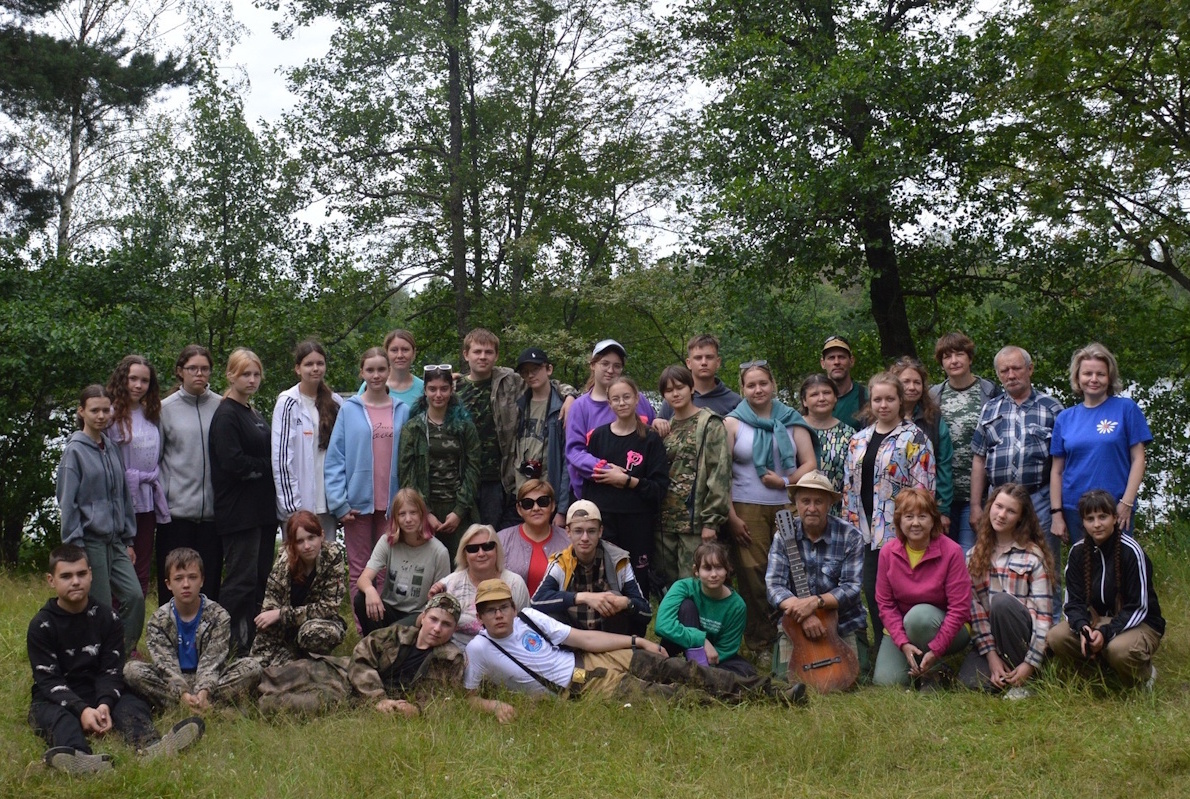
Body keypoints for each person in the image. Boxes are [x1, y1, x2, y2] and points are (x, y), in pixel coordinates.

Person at [465, 579, 804, 721]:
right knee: (673, 695)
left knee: (684, 670)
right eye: (490, 610)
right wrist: (495, 704)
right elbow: (468, 697)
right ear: (479, 616)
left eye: (503, 607)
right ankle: (749, 706)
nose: (499, 614)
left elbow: (584, 639)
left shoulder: (528, 616)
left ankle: (776, 694)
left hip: (592, 658)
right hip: (578, 686)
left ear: (512, 606)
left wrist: (637, 641)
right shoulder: (479, 650)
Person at [28, 545, 204, 775]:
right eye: (66, 576)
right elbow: (48, 681)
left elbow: (111, 670)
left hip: (97, 688)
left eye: (81, 574)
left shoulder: (108, 617)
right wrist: (82, 711)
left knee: (132, 705)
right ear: (51, 580)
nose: (75, 581)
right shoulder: (41, 625)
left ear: (91, 574)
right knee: (60, 720)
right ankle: (80, 759)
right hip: (56, 696)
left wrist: (104, 705)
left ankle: (151, 747)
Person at [724, 360, 818, 661]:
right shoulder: (732, 423)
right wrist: (731, 515)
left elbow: (810, 464)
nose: (758, 389)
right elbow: (722, 472)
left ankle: (792, 636)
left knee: (793, 570)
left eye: (763, 383)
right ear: (743, 389)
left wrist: (785, 480)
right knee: (753, 574)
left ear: (772, 384)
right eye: (751, 385)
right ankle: (760, 642)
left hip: (787, 506)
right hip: (746, 507)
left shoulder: (791, 419)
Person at [843, 371, 935, 654]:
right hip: (866, 532)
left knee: (903, 593)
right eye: (877, 399)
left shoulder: (915, 438)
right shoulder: (858, 440)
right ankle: (883, 647)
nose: (883, 405)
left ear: (900, 401)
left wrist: (916, 529)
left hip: (900, 533)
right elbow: (848, 486)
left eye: (889, 399)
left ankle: (914, 646)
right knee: (873, 591)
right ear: (870, 403)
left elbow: (924, 491)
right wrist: (851, 527)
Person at [55, 384, 145, 657]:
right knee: (101, 606)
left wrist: (128, 539)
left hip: (116, 540)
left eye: (106, 410)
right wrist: (75, 548)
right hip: (89, 542)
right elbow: (67, 501)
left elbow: (123, 498)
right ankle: (98, 660)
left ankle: (122, 650)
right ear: (82, 412)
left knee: (135, 597)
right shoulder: (75, 452)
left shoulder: (112, 448)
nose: (101, 415)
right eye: (94, 410)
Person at [455, 329, 576, 528]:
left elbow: (549, 383)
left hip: (499, 479)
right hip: (462, 476)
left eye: (488, 352)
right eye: (477, 352)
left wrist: (571, 396)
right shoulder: (455, 388)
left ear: (496, 356)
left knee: (493, 534)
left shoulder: (509, 381)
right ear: (466, 354)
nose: (483, 357)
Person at [1047, 489, 1164, 689]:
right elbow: (1072, 603)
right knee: (1056, 636)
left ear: (1115, 518)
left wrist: (1106, 632)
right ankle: (1097, 673)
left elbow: (1139, 607)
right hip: (1097, 621)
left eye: (1103, 517)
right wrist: (1083, 627)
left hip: (1139, 623)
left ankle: (1144, 675)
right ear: (1082, 522)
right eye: (1090, 518)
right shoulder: (1077, 552)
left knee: (1119, 649)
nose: (1097, 524)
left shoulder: (1131, 551)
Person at [325, 347, 410, 611]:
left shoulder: (403, 410)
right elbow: (335, 457)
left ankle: (384, 629)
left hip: (393, 504)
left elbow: (410, 459)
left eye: (381, 369)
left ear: (389, 371)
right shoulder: (350, 410)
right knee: (360, 569)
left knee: (386, 567)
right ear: (362, 372)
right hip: (357, 505)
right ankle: (364, 631)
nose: (376, 375)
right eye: (370, 370)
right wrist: (339, 502)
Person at [124, 548, 262, 710]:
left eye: (192, 577)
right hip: (173, 680)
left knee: (252, 667)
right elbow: (165, 666)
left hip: (210, 680)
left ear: (202, 580)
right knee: (131, 670)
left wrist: (203, 691)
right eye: (179, 578)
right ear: (168, 584)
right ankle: (209, 707)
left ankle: (189, 705)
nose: (186, 584)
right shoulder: (158, 621)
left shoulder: (219, 616)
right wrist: (182, 693)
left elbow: (212, 661)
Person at [208, 348, 276, 655]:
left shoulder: (253, 413)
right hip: (238, 513)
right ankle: (228, 645)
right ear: (230, 376)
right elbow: (233, 463)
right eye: (245, 374)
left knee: (261, 579)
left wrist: (264, 464)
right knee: (240, 582)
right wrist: (268, 465)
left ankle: (252, 643)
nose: (251, 380)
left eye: (256, 374)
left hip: (262, 512)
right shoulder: (226, 414)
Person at [969, 345, 1064, 565]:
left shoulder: (1052, 408)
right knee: (996, 564)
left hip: (1039, 498)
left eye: (1016, 368)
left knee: (1047, 565)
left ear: (1030, 369)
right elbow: (979, 459)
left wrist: (1059, 510)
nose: (1011, 375)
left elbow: (1062, 464)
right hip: (998, 501)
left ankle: (1048, 601)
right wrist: (975, 506)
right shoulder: (990, 409)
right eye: (1004, 371)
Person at [1050, 343, 1152, 547]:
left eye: (1100, 374)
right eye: (1087, 373)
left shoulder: (1126, 409)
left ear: (1110, 377)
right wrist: (1057, 513)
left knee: (1119, 569)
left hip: (1115, 507)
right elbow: (1057, 471)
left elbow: (1138, 459)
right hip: (1075, 509)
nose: (1094, 379)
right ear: (1078, 377)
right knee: (1084, 570)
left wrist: (1127, 502)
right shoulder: (1065, 418)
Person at [957, 484, 1055, 697]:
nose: (1001, 515)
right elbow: (976, 614)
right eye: (998, 507)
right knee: (968, 682)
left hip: (1024, 640)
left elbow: (1044, 618)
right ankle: (1004, 673)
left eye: (1011, 511)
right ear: (990, 507)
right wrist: (991, 657)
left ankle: (1028, 678)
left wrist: (1031, 662)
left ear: (1020, 518)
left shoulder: (1032, 556)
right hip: (993, 640)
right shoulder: (973, 557)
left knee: (1001, 602)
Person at [765, 472, 866, 676]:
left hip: (844, 623)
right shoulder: (783, 535)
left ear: (829, 504)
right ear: (796, 504)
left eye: (818, 501)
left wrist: (814, 603)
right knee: (787, 678)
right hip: (796, 624)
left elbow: (852, 587)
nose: (811, 508)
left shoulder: (851, 536)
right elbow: (774, 586)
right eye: (805, 501)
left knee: (853, 676)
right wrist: (804, 615)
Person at [580, 375, 670, 595]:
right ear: (609, 403)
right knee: (605, 578)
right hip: (605, 520)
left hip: (637, 521)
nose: (622, 403)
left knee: (636, 581)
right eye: (616, 399)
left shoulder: (650, 439)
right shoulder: (599, 436)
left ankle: (637, 626)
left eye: (626, 397)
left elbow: (659, 488)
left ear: (637, 399)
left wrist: (628, 481)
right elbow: (589, 483)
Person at [873, 489, 971, 688]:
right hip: (903, 630)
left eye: (922, 516)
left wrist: (936, 649)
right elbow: (885, 603)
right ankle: (917, 662)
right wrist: (902, 643)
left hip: (947, 629)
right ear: (899, 521)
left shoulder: (952, 552)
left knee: (919, 617)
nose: (915, 523)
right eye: (909, 517)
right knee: (887, 682)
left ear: (933, 520)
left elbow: (959, 608)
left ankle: (936, 669)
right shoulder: (887, 553)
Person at [157, 344, 222, 605]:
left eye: (204, 369)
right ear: (180, 372)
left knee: (209, 581)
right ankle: (168, 638)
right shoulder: (164, 409)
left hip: (212, 515)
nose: (199, 374)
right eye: (193, 368)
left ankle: (209, 639)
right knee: (174, 583)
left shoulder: (222, 406)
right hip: (176, 514)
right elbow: (155, 459)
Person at [656, 365, 731, 588]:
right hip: (664, 523)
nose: (675, 393)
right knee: (669, 589)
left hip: (695, 524)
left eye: (680, 387)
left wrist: (711, 521)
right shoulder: (665, 428)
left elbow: (720, 474)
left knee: (694, 585)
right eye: (669, 390)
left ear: (691, 389)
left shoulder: (710, 424)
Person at [531, 499, 652, 635]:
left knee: (620, 600)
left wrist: (626, 603)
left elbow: (646, 613)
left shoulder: (618, 559)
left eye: (591, 531)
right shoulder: (561, 563)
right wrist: (583, 597)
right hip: (573, 637)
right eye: (578, 531)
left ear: (600, 532)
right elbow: (536, 602)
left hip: (611, 637)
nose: (584, 538)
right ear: (568, 532)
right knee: (552, 614)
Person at [398, 363, 480, 564]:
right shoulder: (413, 428)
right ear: (425, 391)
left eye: (444, 389)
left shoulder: (464, 426)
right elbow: (406, 474)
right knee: (427, 566)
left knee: (461, 565)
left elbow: (473, 468)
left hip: (458, 508)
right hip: (425, 509)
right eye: (432, 389)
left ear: (451, 390)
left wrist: (459, 511)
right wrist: (424, 512)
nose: (438, 394)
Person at [929, 331, 1001, 549]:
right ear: (941, 363)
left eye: (959, 354)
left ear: (969, 358)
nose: (954, 361)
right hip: (944, 494)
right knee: (943, 557)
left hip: (977, 494)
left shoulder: (989, 392)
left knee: (969, 556)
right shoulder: (934, 395)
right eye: (947, 356)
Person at [106, 354, 168, 600]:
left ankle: (133, 633)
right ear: (123, 379)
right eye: (133, 379)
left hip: (147, 501)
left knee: (141, 570)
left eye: (144, 381)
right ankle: (113, 631)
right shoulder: (109, 415)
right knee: (119, 568)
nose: (138, 385)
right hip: (120, 502)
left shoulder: (152, 414)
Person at [251, 511, 348, 668]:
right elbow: (270, 610)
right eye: (300, 541)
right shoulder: (283, 566)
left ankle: (315, 663)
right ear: (292, 544)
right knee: (259, 667)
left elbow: (329, 607)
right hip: (286, 629)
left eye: (311, 538)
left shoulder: (333, 556)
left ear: (322, 536)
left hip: (321, 622)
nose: (307, 546)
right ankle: (294, 659)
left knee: (312, 633)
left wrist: (282, 614)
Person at [565, 339, 656, 501]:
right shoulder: (580, 407)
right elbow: (574, 452)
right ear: (593, 365)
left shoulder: (638, 400)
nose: (610, 370)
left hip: (635, 498)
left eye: (617, 366)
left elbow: (652, 440)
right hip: (595, 498)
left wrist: (660, 421)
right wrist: (606, 470)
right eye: (605, 363)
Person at [348, 593, 467, 716]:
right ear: (423, 617)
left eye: (446, 624)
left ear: (454, 629)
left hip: (400, 707)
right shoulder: (394, 635)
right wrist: (378, 699)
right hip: (360, 688)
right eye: (433, 619)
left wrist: (416, 711)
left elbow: (448, 700)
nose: (437, 628)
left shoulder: (451, 659)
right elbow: (360, 658)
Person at [354, 488, 450, 636]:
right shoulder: (387, 541)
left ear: (422, 515)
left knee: (392, 632)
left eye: (413, 512)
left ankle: (376, 646)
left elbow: (441, 600)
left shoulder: (439, 552)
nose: (408, 519)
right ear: (395, 518)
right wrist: (370, 590)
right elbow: (363, 578)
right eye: (402, 514)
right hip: (389, 609)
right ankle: (375, 644)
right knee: (361, 599)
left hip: (417, 614)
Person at [273, 340, 343, 538]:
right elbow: (281, 459)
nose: (315, 369)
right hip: (298, 504)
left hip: (327, 503)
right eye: (309, 364)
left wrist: (340, 500)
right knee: (297, 564)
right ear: (297, 368)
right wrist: (291, 507)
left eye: (320, 363)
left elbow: (341, 454)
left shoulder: (336, 402)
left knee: (326, 560)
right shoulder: (288, 402)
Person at [655, 541, 752, 677]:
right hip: (678, 647)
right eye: (707, 568)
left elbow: (727, 649)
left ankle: (696, 672)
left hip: (713, 657)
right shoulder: (682, 587)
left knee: (747, 671)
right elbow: (662, 625)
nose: (713, 574)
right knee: (686, 607)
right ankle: (688, 669)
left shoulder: (737, 606)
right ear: (696, 571)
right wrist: (701, 640)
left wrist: (706, 662)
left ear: (727, 570)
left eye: (719, 568)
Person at [429, 523, 530, 646]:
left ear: (497, 550)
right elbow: (426, 625)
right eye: (473, 549)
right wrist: (433, 604)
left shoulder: (515, 583)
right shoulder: (450, 583)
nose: (481, 553)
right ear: (464, 554)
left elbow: (526, 627)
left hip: (505, 651)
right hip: (456, 656)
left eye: (487, 547)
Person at [890, 356, 954, 537]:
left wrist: (943, 509)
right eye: (906, 382)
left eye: (917, 382)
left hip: (925, 508)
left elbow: (944, 463)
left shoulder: (933, 419)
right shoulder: (881, 418)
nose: (911, 387)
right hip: (887, 506)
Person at [512, 347, 571, 524]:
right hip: (519, 493)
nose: (531, 375)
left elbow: (568, 461)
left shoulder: (563, 408)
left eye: (535, 369)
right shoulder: (517, 404)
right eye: (525, 372)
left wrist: (562, 509)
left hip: (548, 496)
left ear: (549, 369)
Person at [496, 479, 570, 595]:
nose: (536, 508)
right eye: (528, 504)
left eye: (543, 502)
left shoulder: (569, 540)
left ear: (552, 506)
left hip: (558, 612)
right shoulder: (501, 540)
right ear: (519, 509)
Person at [798, 374, 855, 505]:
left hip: (837, 508)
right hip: (801, 508)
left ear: (835, 398)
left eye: (827, 393)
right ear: (804, 401)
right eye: (814, 394)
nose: (822, 398)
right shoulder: (794, 429)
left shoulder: (850, 434)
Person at [657, 334, 742, 419]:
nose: (704, 362)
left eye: (709, 357)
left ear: (718, 362)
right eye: (698, 358)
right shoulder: (675, 399)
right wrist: (658, 422)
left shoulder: (734, 401)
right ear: (688, 363)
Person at [357, 328, 424, 408]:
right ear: (386, 353)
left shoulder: (423, 389)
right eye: (394, 350)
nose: (400, 355)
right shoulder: (370, 385)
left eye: (405, 350)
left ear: (413, 353)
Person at [821, 336, 867, 429]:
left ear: (851, 361)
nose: (837, 362)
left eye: (841, 357)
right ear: (823, 363)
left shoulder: (867, 397)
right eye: (831, 358)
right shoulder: (816, 401)